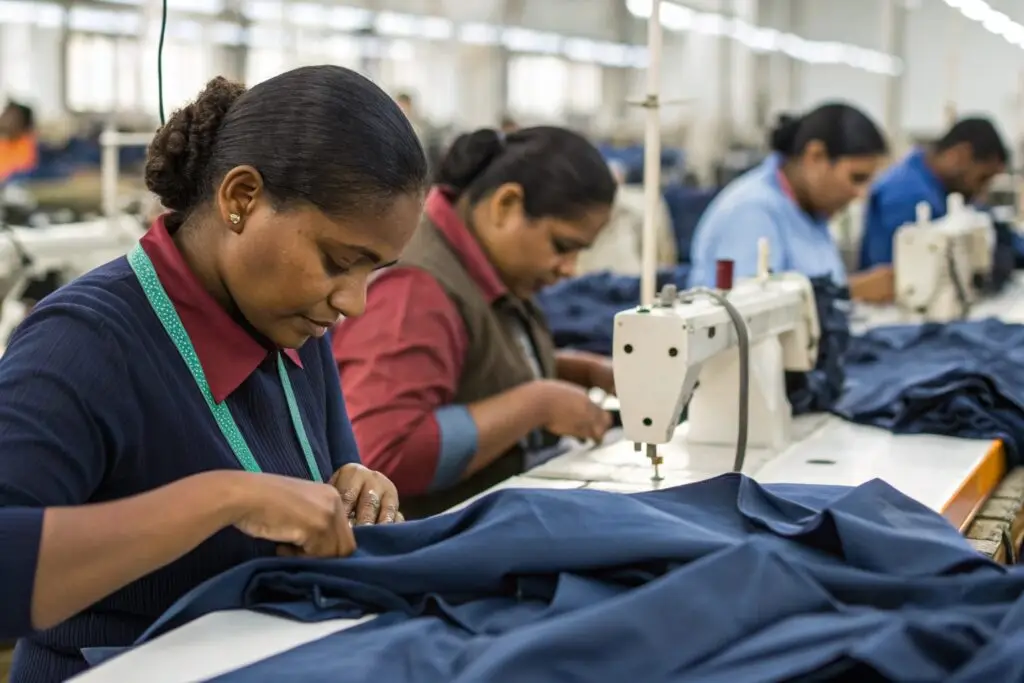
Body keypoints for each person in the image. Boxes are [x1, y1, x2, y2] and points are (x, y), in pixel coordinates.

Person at [0, 65, 427, 683]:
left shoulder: (295, 327)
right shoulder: (84, 343)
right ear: (241, 198)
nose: (353, 303)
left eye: (373, 273)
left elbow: (314, 505)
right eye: (338, 262)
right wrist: (220, 498)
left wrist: (351, 490)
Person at [333, 127, 618, 517]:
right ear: (506, 204)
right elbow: (383, 453)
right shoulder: (415, 292)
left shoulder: (484, 269)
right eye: (562, 246)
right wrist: (537, 404)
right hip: (431, 545)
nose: (569, 269)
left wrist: (581, 370)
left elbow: (468, 363)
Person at [689, 103, 892, 302]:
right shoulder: (752, 213)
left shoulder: (810, 210)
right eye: (857, 178)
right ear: (815, 156)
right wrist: (852, 291)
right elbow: (752, 312)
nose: (861, 194)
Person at [860, 117, 1009, 271]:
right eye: (981, 179)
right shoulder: (905, 195)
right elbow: (894, 276)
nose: (981, 192)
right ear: (960, 155)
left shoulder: (942, 190)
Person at [0, 101, 38, 182]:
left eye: (10, 116)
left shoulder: (28, 146)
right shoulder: (4, 143)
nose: (3, 117)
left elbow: (19, 175)